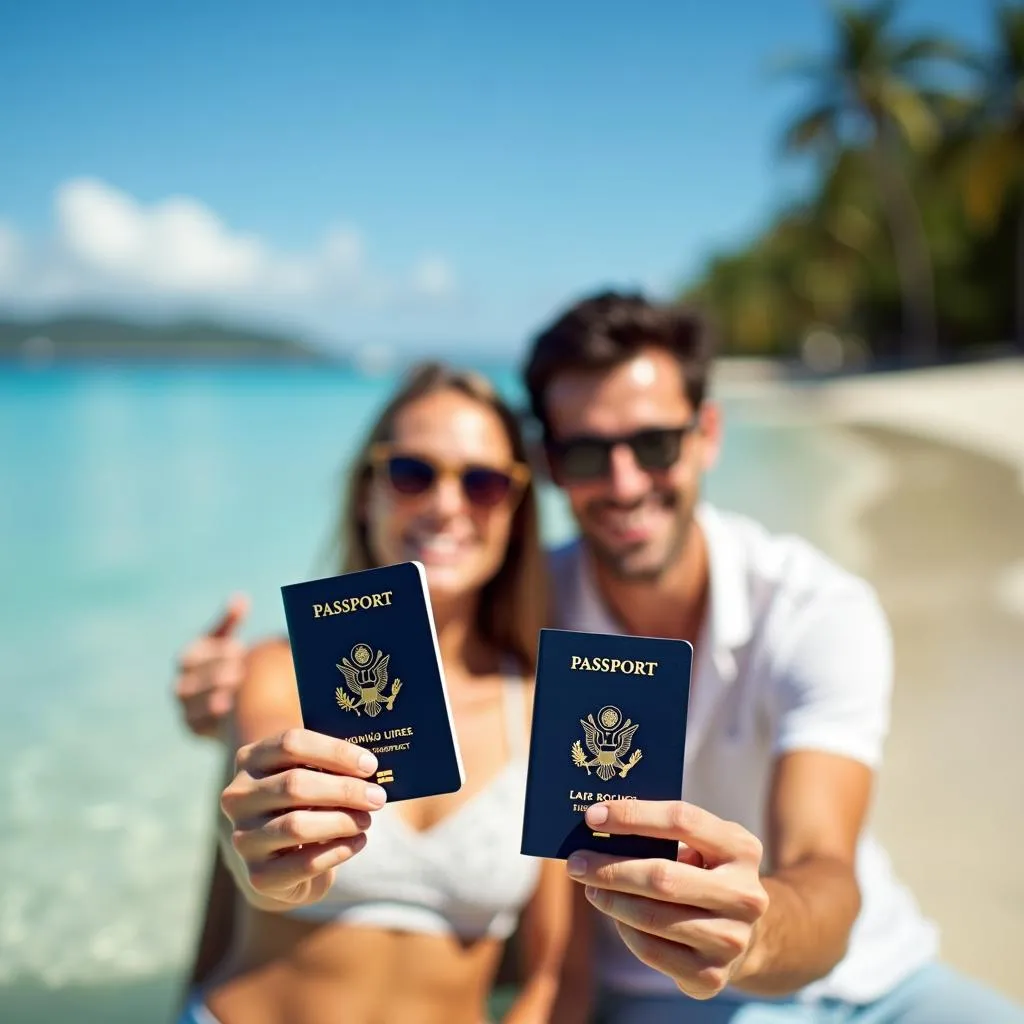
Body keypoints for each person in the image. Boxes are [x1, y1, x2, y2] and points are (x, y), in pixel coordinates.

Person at [176, 292, 1024, 1023]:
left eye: (653, 444)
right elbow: (240, 893)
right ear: (552, 468)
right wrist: (230, 730)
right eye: (409, 473)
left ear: (706, 436)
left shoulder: (808, 610)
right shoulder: (326, 663)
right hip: (655, 991)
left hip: (857, 966)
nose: (622, 482)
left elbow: (825, 868)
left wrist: (751, 930)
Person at [173, 362, 576, 1024]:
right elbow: (269, 864)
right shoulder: (280, 670)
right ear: (367, 494)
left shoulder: (546, 707)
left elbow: (556, 976)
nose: (448, 504)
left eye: (483, 482)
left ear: (514, 509)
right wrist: (273, 856)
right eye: (413, 473)